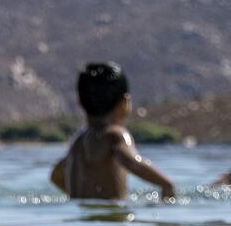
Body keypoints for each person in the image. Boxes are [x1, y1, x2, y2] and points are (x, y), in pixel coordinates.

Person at [49, 62, 177, 200]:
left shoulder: (77, 142)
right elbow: (132, 162)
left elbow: (55, 176)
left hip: (81, 218)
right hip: (114, 219)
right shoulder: (116, 135)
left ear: (79, 101)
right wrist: (166, 184)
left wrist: (83, 196)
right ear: (125, 103)